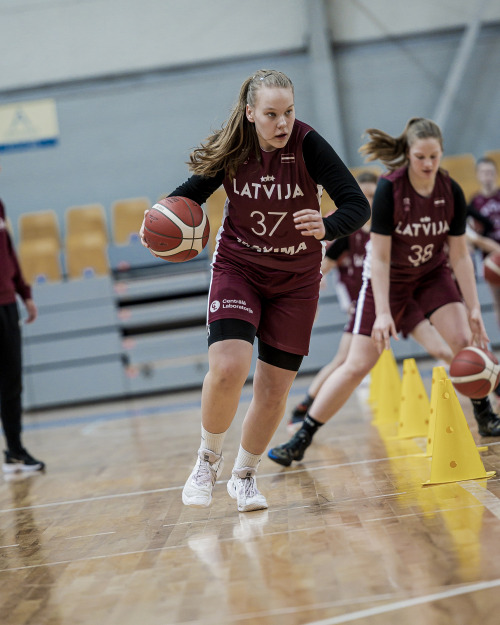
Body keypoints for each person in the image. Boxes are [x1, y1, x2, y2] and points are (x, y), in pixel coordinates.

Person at [140, 69, 370, 512]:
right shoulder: (234, 148)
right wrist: (157, 224)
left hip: (296, 279)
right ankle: (207, 460)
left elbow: (357, 205)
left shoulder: (308, 144)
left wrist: (327, 226)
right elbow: (188, 196)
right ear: (250, 113)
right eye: (271, 114)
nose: (282, 123)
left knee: (273, 389)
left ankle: (244, 475)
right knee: (229, 367)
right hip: (239, 267)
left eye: (289, 112)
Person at [268, 117, 500, 468]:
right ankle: (302, 437)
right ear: (408, 155)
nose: (427, 164)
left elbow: (459, 255)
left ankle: (485, 415)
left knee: (462, 340)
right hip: (388, 280)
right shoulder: (391, 190)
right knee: (357, 364)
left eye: (434, 156)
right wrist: (384, 313)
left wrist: (474, 307)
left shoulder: (450, 190)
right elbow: (379, 257)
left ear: (441, 154)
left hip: (431, 275)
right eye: (420, 157)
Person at [288, 170, 453, 433]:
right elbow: (323, 267)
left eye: (373, 195)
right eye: (363, 195)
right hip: (368, 305)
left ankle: (487, 388)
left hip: (402, 301)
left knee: (442, 349)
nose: (369, 201)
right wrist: (311, 286)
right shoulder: (349, 232)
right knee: (343, 361)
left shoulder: (396, 228)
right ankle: (303, 408)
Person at [0, 177, 45, 472]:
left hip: (6, 303)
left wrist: (24, 293)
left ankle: (14, 450)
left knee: (11, 382)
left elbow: (8, 254)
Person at [467, 156, 500, 326]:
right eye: (484, 172)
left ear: (495, 174)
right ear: (478, 175)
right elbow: (472, 237)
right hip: (490, 257)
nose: (487, 176)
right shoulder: (474, 203)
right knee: (498, 301)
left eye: (490, 172)